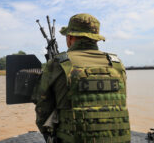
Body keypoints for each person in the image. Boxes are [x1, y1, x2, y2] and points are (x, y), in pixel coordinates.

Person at [32, 13, 131, 143]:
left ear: (70, 37)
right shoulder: (117, 64)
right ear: (95, 39)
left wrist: (50, 135)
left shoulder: (57, 64)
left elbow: (42, 109)